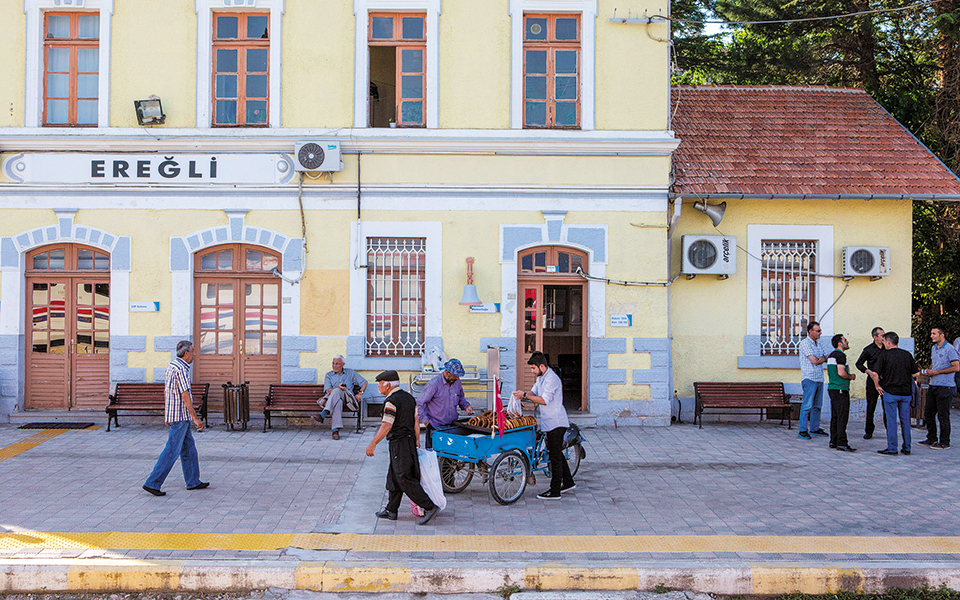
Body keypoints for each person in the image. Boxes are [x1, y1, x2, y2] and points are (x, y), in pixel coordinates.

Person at [365, 370, 439, 525]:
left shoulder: (391, 401)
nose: (378, 386)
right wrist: (417, 440)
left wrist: (373, 443)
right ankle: (391, 509)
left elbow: (386, 425)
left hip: (399, 443)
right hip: (409, 441)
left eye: (380, 383)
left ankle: (430, 506)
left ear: (387, 384)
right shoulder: (409, 398)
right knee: (394, 475)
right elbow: (415, 421)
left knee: (404, 477)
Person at [143, 340, 208, 496]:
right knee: (172, 450)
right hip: (180, 416)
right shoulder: (181, 369)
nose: (195, 354)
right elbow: (185, 395)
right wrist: (196, 418)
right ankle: (152, 483)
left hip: (177, 415)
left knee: (189, 449)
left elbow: (167, 392)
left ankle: (193, 481)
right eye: (193, 351)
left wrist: (168, 414)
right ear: (186, 353)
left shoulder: (172, 366)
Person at [512, 351, 575, 500]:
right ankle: (568, 482)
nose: (532, 371)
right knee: (557, 452)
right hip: (548, 421)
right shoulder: (541, 378)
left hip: (556, 422)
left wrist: (526, 396)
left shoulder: (552, 379)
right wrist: (521, 397)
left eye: (533, 368)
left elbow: (544, 400)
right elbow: (533, 392)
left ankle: (555, 492)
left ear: (542, 366)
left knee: (555, 457)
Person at [870, 331, 920, 455]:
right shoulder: (907, 355)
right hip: (906, 393)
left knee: (891, 421)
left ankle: (892, 448)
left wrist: (877, 385)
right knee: (905, 421)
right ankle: (907, 447)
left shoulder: (884, 355)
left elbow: (875, 373)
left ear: (888, 341)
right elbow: (916, 373)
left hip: (890, 392)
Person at [417, 358, 475, 448]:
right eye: (455, 376)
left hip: (452, 426)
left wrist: (466, 406)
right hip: (435, 427)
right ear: (447, 373)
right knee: (434, 457)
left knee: (452, 457)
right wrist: (426, 422)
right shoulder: (434, 384)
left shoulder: (457, 382)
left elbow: (461, 398)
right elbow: (419, 403)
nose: (457, 378)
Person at [918, 327, 959, 450]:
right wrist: (929, 371)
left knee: (943, 415)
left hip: (945, 386)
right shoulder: (934, 348)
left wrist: (938, 372)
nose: (931, 336)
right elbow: (934, 363)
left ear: (942, 335)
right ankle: (931, 438)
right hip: (934, 385)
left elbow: (956, 367)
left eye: (934, 334)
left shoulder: (950, 349)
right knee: (928, 413)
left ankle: (944, 441)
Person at [312, 355, 367, 440]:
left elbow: (364, 382)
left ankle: (324, 413)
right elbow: (328, 391)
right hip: (334, 399)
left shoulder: (350, 373)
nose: (334, 366)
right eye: (333, 363)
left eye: (337, 364)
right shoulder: (329, 375)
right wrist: (338, 388)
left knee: (338, 391)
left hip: (348, 399)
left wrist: (360, 393)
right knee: (337, 399)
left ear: (343, 364)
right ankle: (335, 431)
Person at [797, 321, 829, 440]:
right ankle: (803, 429)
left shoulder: (819, 344)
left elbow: (827, 356)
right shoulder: (805, 344)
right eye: (818, 331)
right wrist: (822, 359)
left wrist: (822, 359)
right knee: (807, 405)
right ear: (810, 332)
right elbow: (814, 361)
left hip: (819, 377)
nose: (820, 333)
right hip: (809, 378)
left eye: (820, 330)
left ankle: (815, 428)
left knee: (817, 405)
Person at [826, 334, 856, 452]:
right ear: (840, 343)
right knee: (842, 416)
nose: (847, 342)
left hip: (833, 388)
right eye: (845, 340)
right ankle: (842, 442)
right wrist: (851, 376)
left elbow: (830, 373)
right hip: (840, 389)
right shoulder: (841, 356)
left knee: (835, 416)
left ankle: (833, 440)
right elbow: (841, 372)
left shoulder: (831, 356)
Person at [855, 327, 887, 439]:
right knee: (871, 406)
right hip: (872, 380)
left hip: (885, 381)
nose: (884, 337)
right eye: (882, 335)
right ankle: (869, 431)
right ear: (875, 337)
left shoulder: (887, 348)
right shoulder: (869, 349)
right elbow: (858, 363)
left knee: (887, 406)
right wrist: (868, 371)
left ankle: (889, 430)